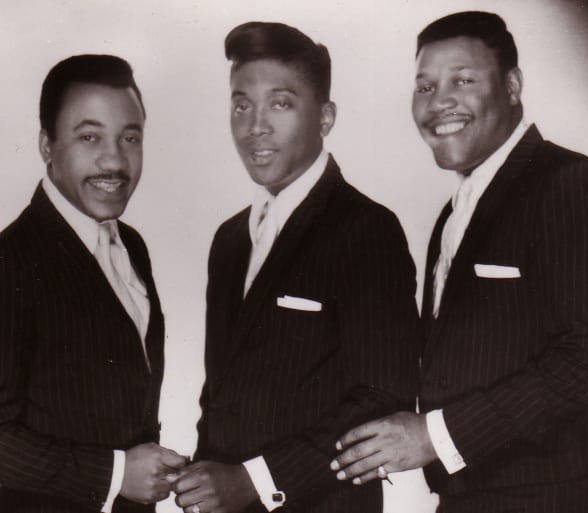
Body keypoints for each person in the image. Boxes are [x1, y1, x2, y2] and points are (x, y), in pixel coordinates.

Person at [331, 11, 588, 512]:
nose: (439, 101)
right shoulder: (455, 214)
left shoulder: (570, 184)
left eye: (463, 80)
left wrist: (435, 437)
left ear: (512, 85)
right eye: (424, 86)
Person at [171, 22, 420, 513]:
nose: (255, 126)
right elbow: (219, 395)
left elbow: (381, 400)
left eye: (280, 103)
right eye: (241, 105)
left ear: (325, 117)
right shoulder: (229, 239)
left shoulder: (367, 229)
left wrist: (252, 481)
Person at [0, 54, 187, 513]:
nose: (114, 159)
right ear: (47, 145)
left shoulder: (130, 244)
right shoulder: (6, 263)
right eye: (89, 136)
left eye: (129, 138)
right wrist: (115, 474)